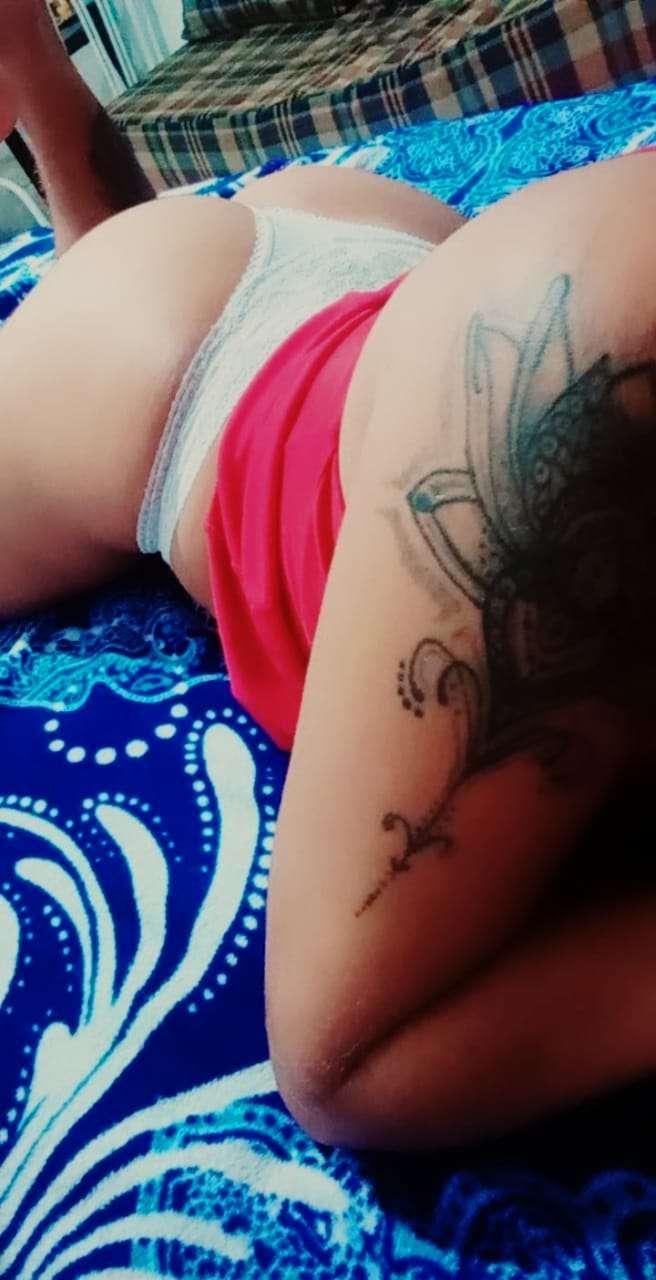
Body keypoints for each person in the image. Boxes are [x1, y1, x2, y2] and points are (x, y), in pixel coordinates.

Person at [2, 0, 656, 1154]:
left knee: (121, 250)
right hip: (177, 375)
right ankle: (38, 78)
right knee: (105, 269)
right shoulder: (585, 393)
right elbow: (346, 1055)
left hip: (402, 268)